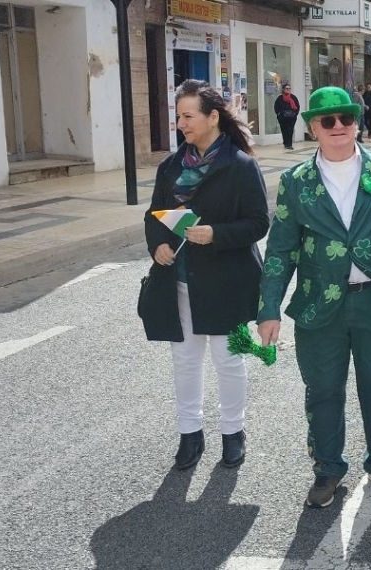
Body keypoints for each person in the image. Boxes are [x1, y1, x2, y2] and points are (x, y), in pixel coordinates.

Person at [256, 86, 371, 508]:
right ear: (312, 126)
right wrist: (268, 308)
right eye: (327, 121)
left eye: (345, 119)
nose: (338, 127)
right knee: (323, 390)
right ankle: (328, 469)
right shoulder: (296, 182)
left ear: (356, 123)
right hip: (318, 304)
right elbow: (280, 249)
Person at [141, 79, 269, 471]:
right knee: (184, 359)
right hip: (178, 279)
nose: (181, 123)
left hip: (227, 282)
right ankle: (189, 434)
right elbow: (154, 215)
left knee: (229, 359)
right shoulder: (171, 166)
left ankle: (233, 433)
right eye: (178, 116)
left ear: (213, 118)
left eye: (188, 115)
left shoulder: (241, 166)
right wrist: (157, 244)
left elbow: (259, 223)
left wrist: (217, 234)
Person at [274, 83, 301, 150]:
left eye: (289, 88)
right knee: (284, 130)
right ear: (283, 89)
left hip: (291, 118)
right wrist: (279, 114)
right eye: (287, 88)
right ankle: (285, 143)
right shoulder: (280, 98)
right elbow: (276, 107)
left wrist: (295, 114)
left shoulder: (293, 97)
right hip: (282, 118)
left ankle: (289, 144)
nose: (288, 90)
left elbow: (297, 106)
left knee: (290, 130)